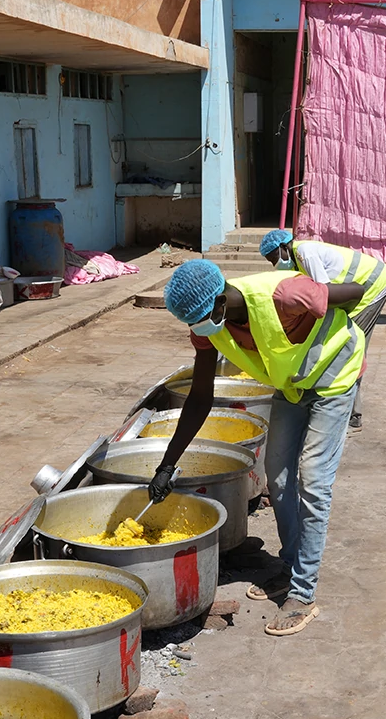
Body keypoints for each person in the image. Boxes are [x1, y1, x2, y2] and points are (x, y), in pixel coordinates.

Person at [156, 259, 365, 636]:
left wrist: (328, 325)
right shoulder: (207, 329)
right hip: (292, 385)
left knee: (314, 482)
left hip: (335, 377)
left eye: (200, 318)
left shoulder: (284, 295)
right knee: (279, 479)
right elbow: (201, 395)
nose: (196, 329)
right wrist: (167, 465)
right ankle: (289, 568)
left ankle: (303, 594)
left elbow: (355, 294)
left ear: (220, 303)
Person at [259, 229, 386, 433]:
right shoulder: (296, 260)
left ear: (284, 247)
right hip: (358, 289)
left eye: (274, 258)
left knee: (349, 346)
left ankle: (351, 416)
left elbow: (324, 295)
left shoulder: (305, 253)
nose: (274, 264)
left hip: (373, 286)